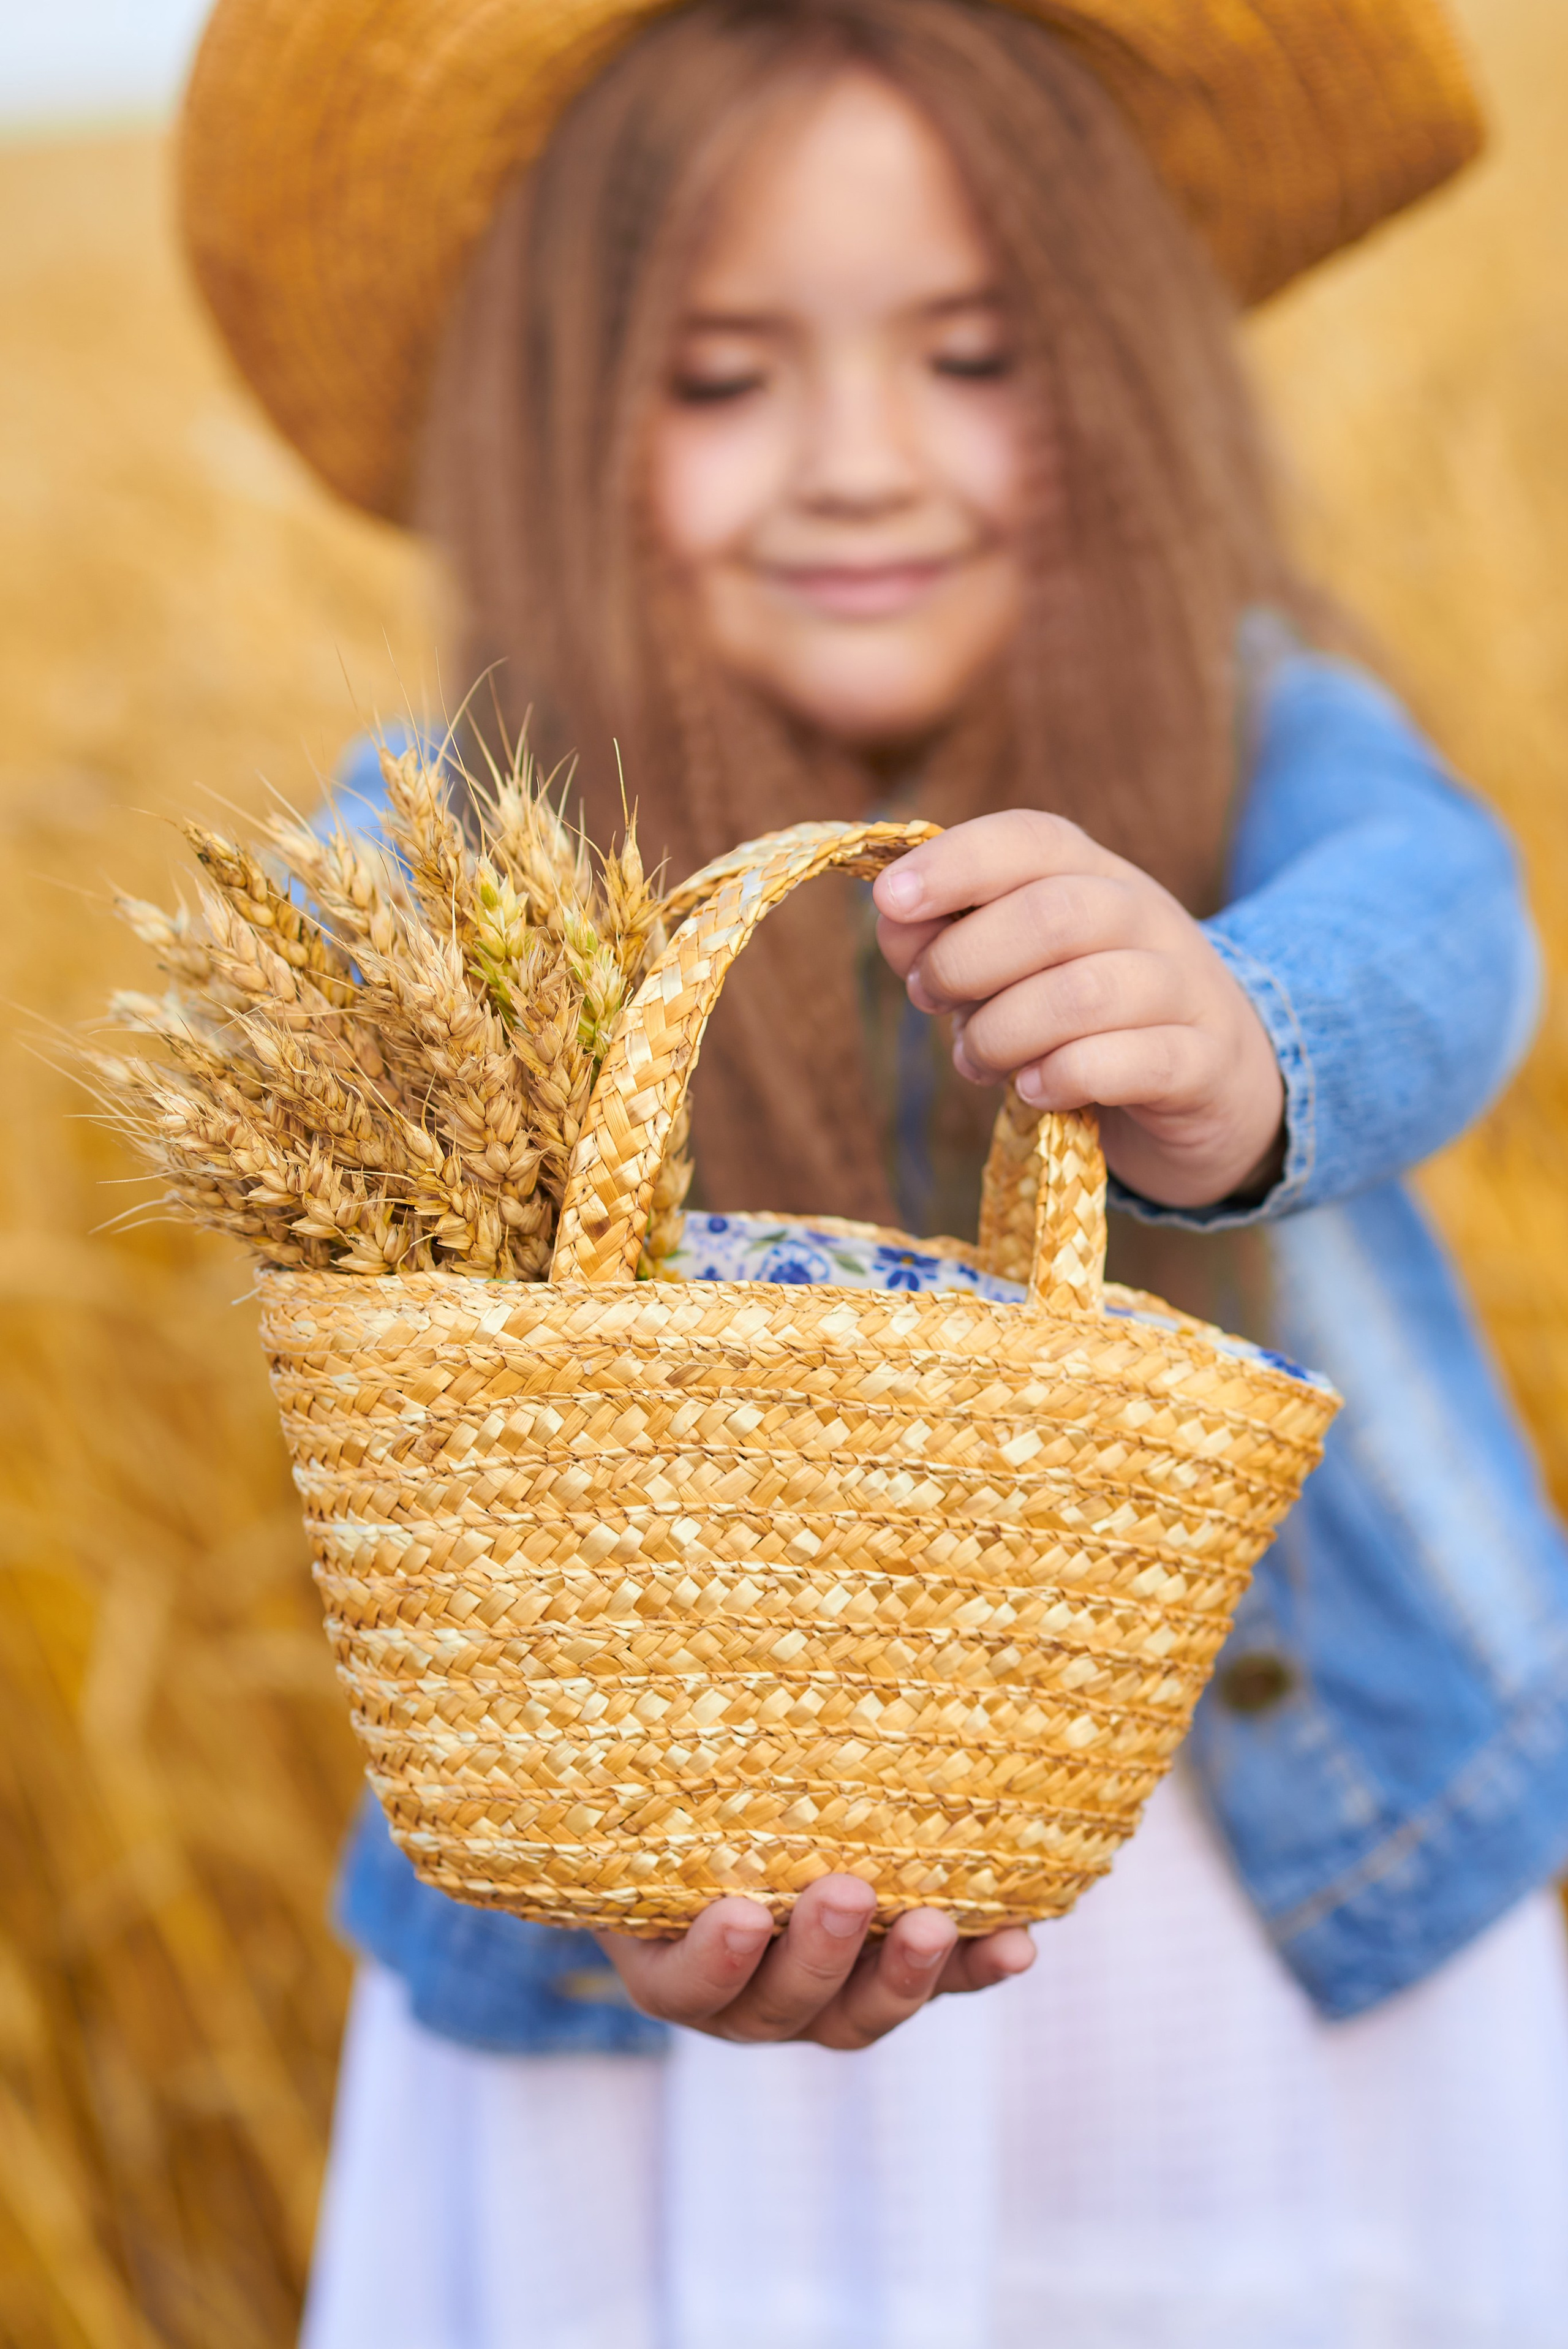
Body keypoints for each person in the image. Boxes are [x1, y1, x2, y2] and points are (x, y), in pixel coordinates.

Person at [179, 1, 1568, 2341]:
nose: (859, 465)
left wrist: (1243, 1037)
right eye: (721, 382)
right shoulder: (476, 811)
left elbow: (1452, 918)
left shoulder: (1250, 735)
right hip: (644, 1967)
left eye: (976, 357)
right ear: (558, 420)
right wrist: (588, 1845)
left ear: (1121, 377)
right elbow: (316, 1015)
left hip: (1260, 1886)